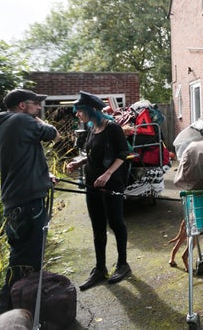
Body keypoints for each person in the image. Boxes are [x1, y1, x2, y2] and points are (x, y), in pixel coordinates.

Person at [0, 89, 60, 319]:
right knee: (26, 259)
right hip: (28, 203)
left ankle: (16, 306)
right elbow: (52, 134)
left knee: (20, 255)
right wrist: (36, 118)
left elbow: (18, 162)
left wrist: (42, 177)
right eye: (36, 104)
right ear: (23, 106)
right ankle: (10, 309)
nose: (39, 109)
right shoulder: (21, 120)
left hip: (16, 201)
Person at [66, 91, 132, 290]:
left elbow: (123, 153)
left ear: (92, 110)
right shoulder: (90, 128)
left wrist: (108, 174)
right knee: (97, 225)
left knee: (115, 222)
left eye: (80, 111)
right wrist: (79, 162)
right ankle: (100, 268)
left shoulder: (112, 128)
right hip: (92, 183)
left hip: (111, 184)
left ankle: (123, 264)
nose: (77, 114)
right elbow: (92, 152)